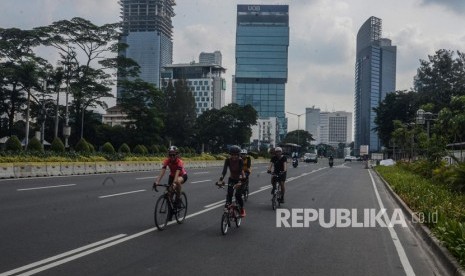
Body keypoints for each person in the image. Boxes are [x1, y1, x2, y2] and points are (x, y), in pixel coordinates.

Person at [218, 145, 246, 217]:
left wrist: (239, 182)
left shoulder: (240, 161)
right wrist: (220, 180)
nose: (234, 156)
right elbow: (224, 171)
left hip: (240, 179)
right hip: (232, 179)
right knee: (229, 194)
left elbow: (240, 172)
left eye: (236, 155)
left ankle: (242, 209)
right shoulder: (227, 160)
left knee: (238, 195)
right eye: (232, 154)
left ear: (238, 154)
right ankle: (228, 208)